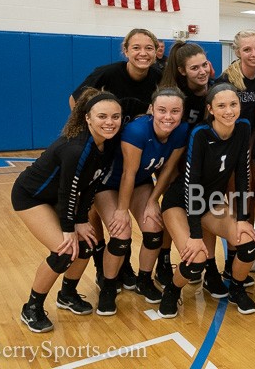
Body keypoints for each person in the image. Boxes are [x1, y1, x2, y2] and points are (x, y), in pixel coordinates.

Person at [13, 89, 122, 332]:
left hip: (59, 198)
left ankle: (67, 294)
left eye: (115, 117)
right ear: (87, 118)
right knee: (64, 251)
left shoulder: (108, 144)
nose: (109, 122)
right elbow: (68, 191)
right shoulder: (77, 148)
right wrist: (68, 228)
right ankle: (32, 307)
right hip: (31, 196)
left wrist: (82, 221)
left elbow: (91, 185)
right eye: (102, 116)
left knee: (86, 244)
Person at [71, 28, 162, 292]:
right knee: (95, 211)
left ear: (156, 51)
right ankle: (103, 264)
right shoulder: (108, 73)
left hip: (134, 154)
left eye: (148, 48)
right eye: (136, 48)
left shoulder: (157, 77)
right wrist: (91, 132)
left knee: (134, 221)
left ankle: (127, 267)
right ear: (126, 51)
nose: (142, 53)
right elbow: (75, 99)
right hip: (104, 153)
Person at [158, 83, 255, 317]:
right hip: (181, 202)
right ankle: (172, 291)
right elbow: (191, 185)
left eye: (233, 104)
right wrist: (195, 236)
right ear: (210, 109)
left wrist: (243, 219)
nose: (228, 111)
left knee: (247, 243)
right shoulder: (201, 134)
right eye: (221, 106)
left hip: (212, 202)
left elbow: (243, 174)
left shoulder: (243, 127)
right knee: (196, 260)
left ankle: (235, 288)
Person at [93, 88, 189, 316]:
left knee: (154, 229)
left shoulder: (181, 131)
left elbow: (168, 170)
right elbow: (128, 172)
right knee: (121, 235)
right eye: (162, 110)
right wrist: (122, 210)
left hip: (141, 184)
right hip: (109, 184)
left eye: (175, 111)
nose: (168, 117)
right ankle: (108, 286)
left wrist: (153, 200)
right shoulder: (136, 131)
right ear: (151, 110)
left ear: (182, 112)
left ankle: (144, 280)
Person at [154, 41, 214, 288]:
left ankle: (208, 264)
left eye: (204, 65)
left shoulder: (215, 91)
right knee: (173, 206)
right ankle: (164, 259)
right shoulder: (176, 96)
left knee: (202, 209)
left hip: (203, 161)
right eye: (194, 68)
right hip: (174, 159)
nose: (201, 71)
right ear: (182, 71)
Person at [217, 31, 255, 288]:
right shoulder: (227, 81)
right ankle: (231, 263)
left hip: (253, 149)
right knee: (236, 205)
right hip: (230, 152)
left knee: (249, 201)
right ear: (237, 52)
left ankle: (246, 253)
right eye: (248, 50)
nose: (254, 53)